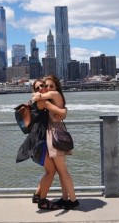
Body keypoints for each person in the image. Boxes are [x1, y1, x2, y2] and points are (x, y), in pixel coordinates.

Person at [32, 75, 79, 210]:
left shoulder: (53, 95)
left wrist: (39, 97)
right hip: (54, 133)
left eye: (50, 86)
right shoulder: (51, 97)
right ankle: (65, 199)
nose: (47, 88)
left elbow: (37, 98)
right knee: (60, 171)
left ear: (56, 87)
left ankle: (73, 200)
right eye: (45, 86)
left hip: (55, 134)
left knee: (63, 171)